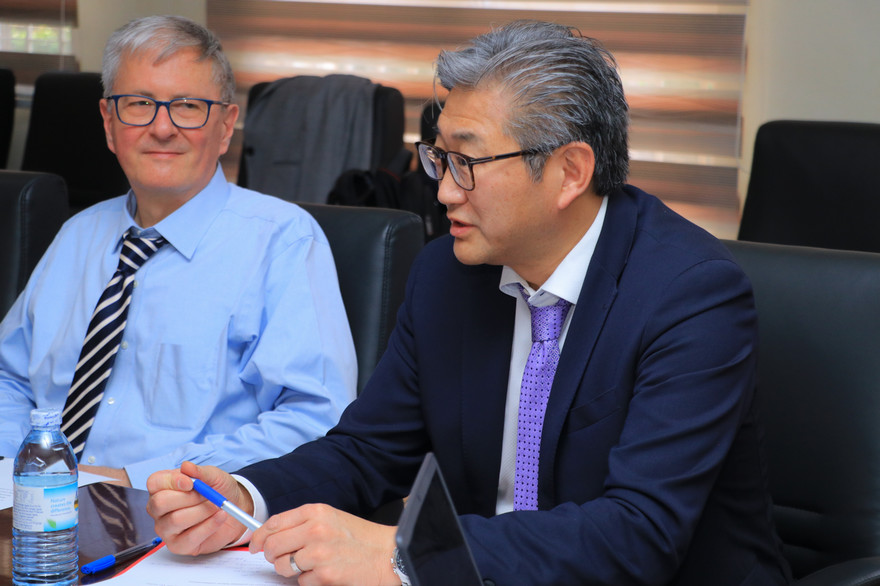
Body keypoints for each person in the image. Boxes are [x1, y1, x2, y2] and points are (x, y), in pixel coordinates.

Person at [146, 20, 791, 585]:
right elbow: (368, 450)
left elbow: (638, 534)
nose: (444, 192)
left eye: (467, 163)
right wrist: (246, 496)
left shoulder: (690, 295)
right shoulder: (447, 275)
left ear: (569, 171)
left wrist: (403, 556)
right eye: (440, 158)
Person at [0, 15, 357, 490]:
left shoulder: (283, 241)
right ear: (109, 123)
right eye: (139, 104)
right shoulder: (77, 236)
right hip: (36, 511)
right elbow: (8, 378)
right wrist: (28, 468)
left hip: (185, 518)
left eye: (188, 106)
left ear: (225, 126)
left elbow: (314, 419)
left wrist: (133, 481)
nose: (162, 127)